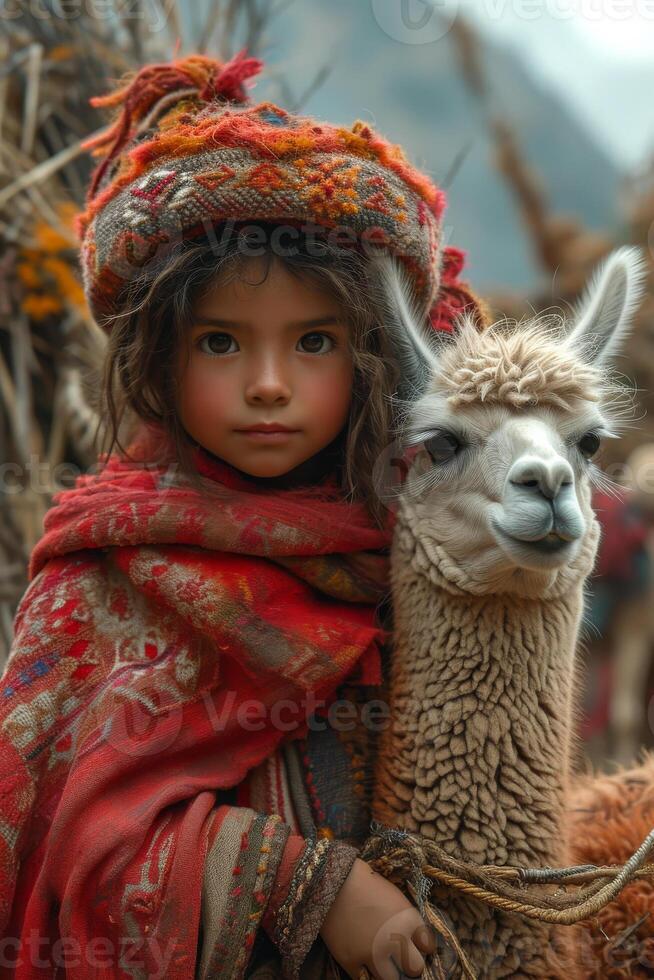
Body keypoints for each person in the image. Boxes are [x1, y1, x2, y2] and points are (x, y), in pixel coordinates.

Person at [0, 51, 491, 980]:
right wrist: (307, 885)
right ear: (157, 355)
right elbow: (65, 859)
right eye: (220, 341)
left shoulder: (414, 552)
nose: (268, 386)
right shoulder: (100, 579)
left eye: (314, 342)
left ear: (374, 356)